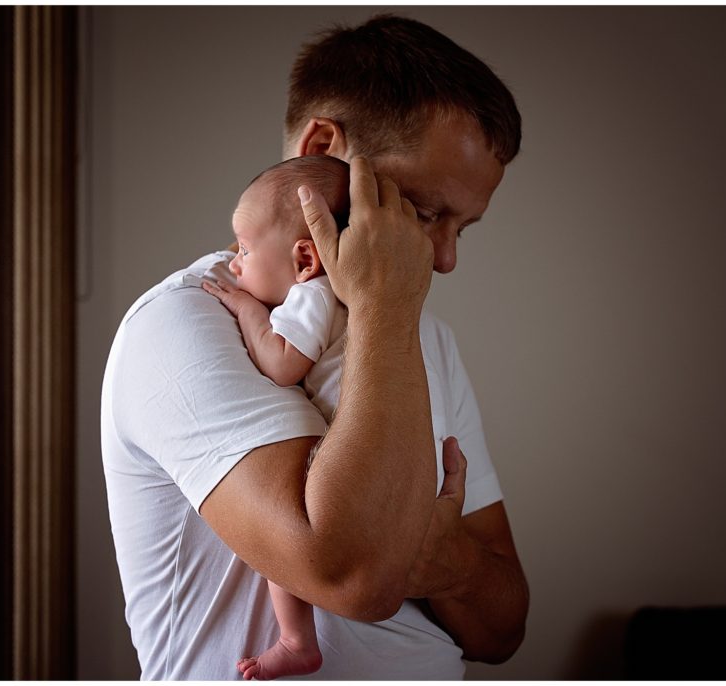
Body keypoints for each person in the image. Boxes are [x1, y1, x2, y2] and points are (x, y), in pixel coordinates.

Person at [101, 14, 529, 680]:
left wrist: (452, 560)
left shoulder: (422, 337)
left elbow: (504, 628)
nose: (443, 259)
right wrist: (385, 315)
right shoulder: (185, 322)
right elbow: (352, 573)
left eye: (462, 230)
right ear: (325, 148)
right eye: (424, 211)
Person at [200, 155, 351, 679]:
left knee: (279, 544)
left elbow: (285, 365)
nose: (234, 262)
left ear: (305, 258)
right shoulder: (338, 296)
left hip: (341, 451)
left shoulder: (313, 295)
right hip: (360, 447)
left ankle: (296, 639)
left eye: (243, 248)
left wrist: (247, 311)